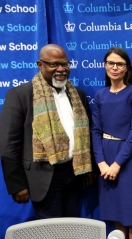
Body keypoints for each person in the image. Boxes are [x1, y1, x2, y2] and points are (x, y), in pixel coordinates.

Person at [0, 44, 93, 219]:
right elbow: (8, 145)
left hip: (74, 173)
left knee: (73, 226)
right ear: (40, 65)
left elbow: (86, 136)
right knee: (50, 231)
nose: (61, 69)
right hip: (43, 177)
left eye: (65, 64)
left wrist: (89, 169)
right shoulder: (21, 95)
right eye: (54, 64)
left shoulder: (78, 95)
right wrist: (17, 185)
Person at [91, 47, 132, 239]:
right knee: (115, 211)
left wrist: (116, 164)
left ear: (126, 68)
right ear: (105, 65)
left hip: (127, 158)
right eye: (111, 63)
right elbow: (96, 131)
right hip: (105, 157)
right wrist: (102, 164)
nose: (114, 67)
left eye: (119, 64)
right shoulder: (100, 95)